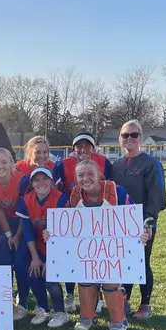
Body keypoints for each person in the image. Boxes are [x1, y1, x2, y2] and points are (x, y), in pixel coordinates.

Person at [54, 159, 149, 330]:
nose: (86, 178)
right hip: (87, 249)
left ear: (99, 175)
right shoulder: (75, 194)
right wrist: (52, 234)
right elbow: (65, 223)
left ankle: (119, 319)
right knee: (85, 279)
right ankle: (87, 317)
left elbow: (131, 218)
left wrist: (141, 233)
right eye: (81, 175)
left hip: (111, 249)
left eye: (90, 174)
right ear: (76, 178)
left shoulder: (115, 191)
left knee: (111, 281)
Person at [112, 120, 166, 320]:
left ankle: (145, 304)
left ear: (140, 138)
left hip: (142, 222)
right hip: (119, 222)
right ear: (120, 138)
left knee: (141, 262)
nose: (129, 139)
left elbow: (157, 194)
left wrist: (149, 221)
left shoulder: (151, 163)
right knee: (123, 262)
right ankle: (124, 299)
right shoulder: (116, 165)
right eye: (125, 135)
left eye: (134, 135)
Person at [53, 131, 112, 313]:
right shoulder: (63, 165)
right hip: (73, 217)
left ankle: (98, 296)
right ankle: (70, 294)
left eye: (87, 146)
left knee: (96, 258)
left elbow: (110, 187)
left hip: (99, 217)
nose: (83, 149)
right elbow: (56, 189)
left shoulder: (104, 162)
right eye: (79, 146)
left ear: (93, 148)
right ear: (73, 149)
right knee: (74, 258)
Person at [16, 167, 70, 328]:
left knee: (50, 277)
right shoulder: (26, 199)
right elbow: (27, 230)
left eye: (45, 178)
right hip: (38, 245)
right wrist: (35, 257)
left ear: (52, 182)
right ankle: (43, 308)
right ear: (31, 183)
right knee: (33, 274)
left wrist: (51, 259)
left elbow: (63, 230)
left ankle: (61, 312)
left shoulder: (60, 198)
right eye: (36, 179)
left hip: (57, 245)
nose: (41, 183)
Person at [0, 148, 30, 320]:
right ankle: (4, 301)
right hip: (6, 224)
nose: (0, 166)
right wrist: (9, 235)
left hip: (24, 223)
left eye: (4, 162)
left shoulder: (23, 180)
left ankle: (23, 302)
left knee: (21, 262)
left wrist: (17, 236)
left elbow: (26, 212)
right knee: (4, 261)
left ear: (11, 163)